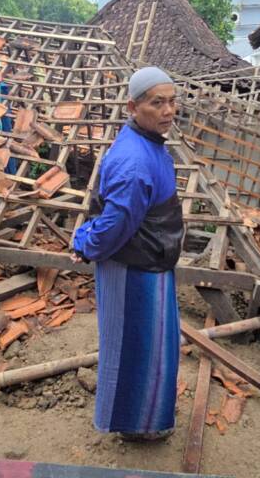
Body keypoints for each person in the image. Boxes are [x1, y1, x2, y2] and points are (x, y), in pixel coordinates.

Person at [71, 66, 183, 440]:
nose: (168, 111)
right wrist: (85, 244)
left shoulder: (149, 142)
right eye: (157, 103)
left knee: (151, 348)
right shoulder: (135, 162)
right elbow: (115, 223)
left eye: (171, 101)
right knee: (132, 349)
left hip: (150, 261)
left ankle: (145, 417)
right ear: (134, 107)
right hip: (133, 270)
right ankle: (133, 425)